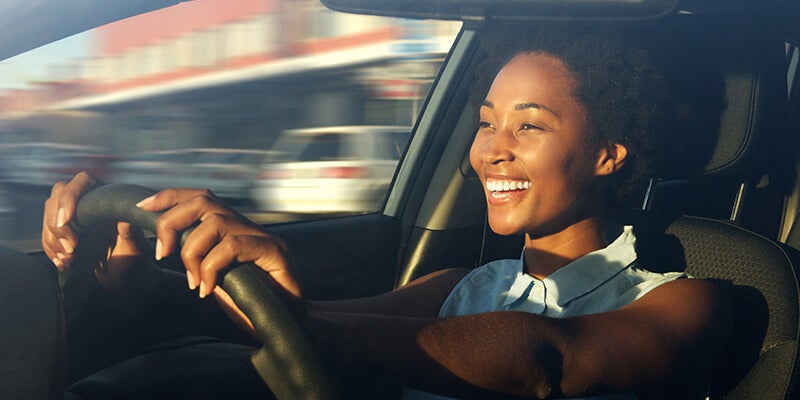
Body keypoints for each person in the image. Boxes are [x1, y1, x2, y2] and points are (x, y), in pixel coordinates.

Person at [42, 25, 732, 399]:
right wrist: (136, 277)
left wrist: (303, 320)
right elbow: (313, 327)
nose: (491, 150)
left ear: (608, 154)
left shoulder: (685, 302)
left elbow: (547, 362)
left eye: (528, 127)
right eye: (487, 122)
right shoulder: (465, 287)